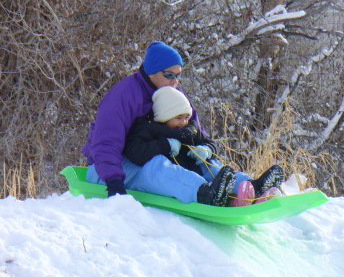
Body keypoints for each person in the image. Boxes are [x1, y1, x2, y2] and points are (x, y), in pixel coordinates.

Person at [122, 86, 285, 206]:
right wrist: (164, 145)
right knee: (160, 165)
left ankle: (253, 187)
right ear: (164, 116)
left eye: (186, 117)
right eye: (179, 118)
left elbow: (210, 143)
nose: (184, 122)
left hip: (196, 169)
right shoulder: (149, 130)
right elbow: (135, 151)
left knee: (212, 166)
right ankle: (206, 194)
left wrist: (207, 150)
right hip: (174, 176)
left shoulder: (190, 130)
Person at [82, 41, 205, 197]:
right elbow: (106, 142)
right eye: (169, 75)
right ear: (152, 71)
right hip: (108, 168)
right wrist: (114, 182)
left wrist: (206, 149)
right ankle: (203, 193)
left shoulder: (172, 92)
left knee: (200, 159)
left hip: (151, 159)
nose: (175, 81)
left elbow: (196, 130)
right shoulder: (124, 96)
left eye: (178, 75)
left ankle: (238, 186)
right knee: (157, 167)